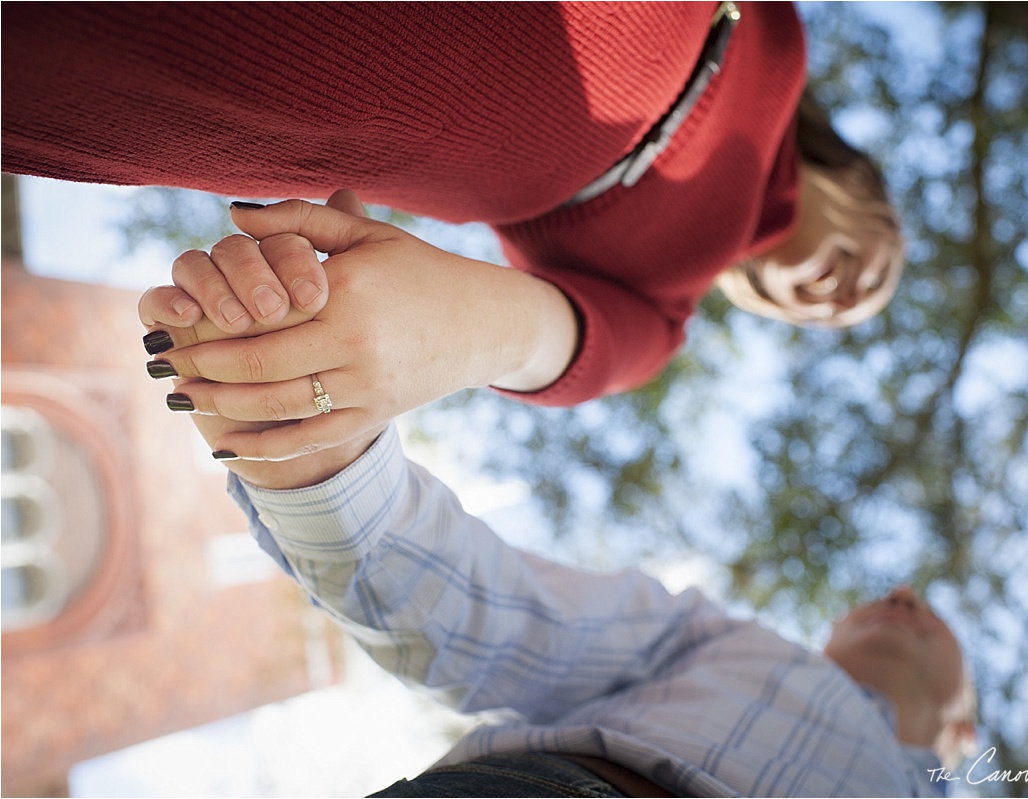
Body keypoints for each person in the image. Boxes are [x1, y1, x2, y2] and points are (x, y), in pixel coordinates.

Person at [5, 2, 905, 460]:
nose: (846, 300)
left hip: (333, 78)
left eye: (833, 323)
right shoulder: (784, 36)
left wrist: (434, 333)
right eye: (881, 270)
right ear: (864, 188)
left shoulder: (663, 315)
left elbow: (552, 338)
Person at [165, 382, 974, 796]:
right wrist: (317, 459)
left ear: (965, 730)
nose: (903, 594)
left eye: (929, 610)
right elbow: (511, 621)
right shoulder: (725, 640)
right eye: (899, 592)